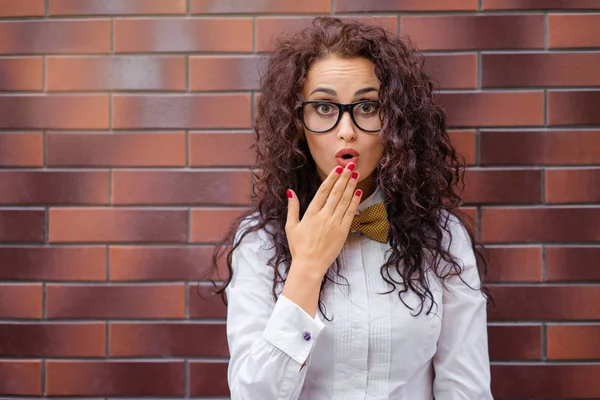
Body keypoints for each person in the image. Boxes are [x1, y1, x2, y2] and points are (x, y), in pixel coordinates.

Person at [209, 16, 493, 400]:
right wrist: (306, 270)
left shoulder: (442, 238)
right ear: (299, 123)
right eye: (324, 108)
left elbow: (466, 389)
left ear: (395, 119)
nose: (346, 130)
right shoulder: (259, 244)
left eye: (367, 107)